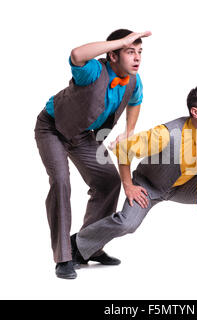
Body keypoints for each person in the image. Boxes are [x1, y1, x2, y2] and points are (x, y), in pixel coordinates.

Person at [71, 85, 197, 275]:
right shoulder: (166, 134)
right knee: (127, 224)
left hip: (183, 186)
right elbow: (124, 150)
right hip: (149, 185)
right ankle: (77, 244)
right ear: (195, 112)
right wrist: (128, 185)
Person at [34, 29, 152, 279]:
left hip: (83, 136)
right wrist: (121, 41)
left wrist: (130, 131)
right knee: (61, 183)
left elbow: (135, 101)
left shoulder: (133, 80)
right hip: (52, 128)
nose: (137, 57)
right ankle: (64, 257)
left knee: (108, 181)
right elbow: (76, 54)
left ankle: (88, 246)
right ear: (112, 55)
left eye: (140, 52)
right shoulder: (93, 72)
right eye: (130, 52)